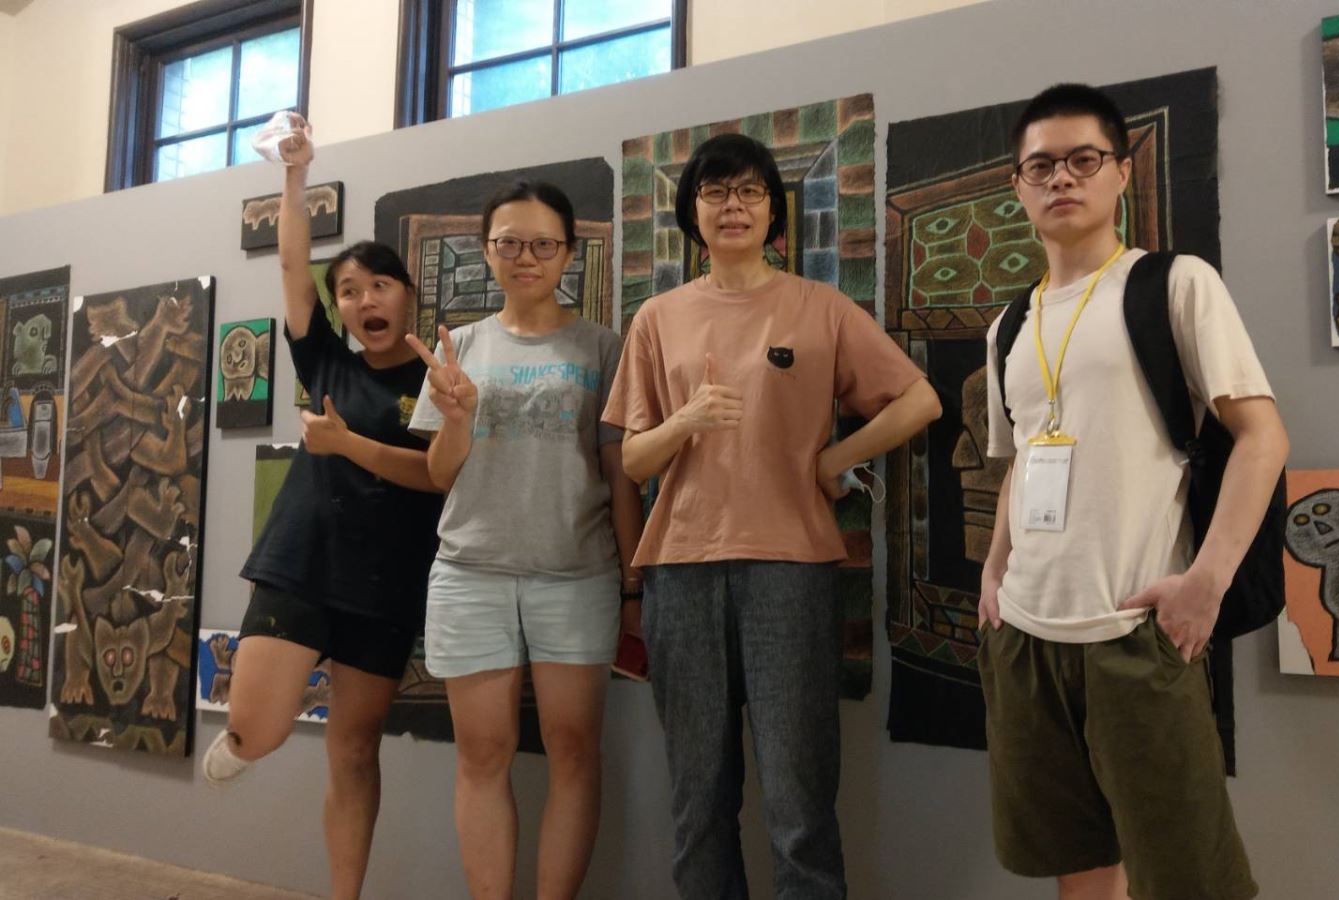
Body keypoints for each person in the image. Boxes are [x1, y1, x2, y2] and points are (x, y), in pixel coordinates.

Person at [603, 132, 942, 900]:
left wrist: (833, 458)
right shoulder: (658, 318)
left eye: (750, 191)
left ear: (773, 211)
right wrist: (686, 420)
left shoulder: (819, 308)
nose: (734, 205)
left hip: (792, 567)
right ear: (692, 211)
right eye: (716, 191)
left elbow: (919, 400)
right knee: (698, 799)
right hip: (681, 571)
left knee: (799, 799)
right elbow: (634, 461)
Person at [977, 83, 1290, 900]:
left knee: (1187, 879)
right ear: (1018, 186)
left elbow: (1263, 437)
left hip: (1135, 631)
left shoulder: (1173, 285)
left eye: (1083, 159)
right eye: (1040, 166)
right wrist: (994, 571)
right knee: (1080, 865)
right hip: (1026, 633)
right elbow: (1019, 463)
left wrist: (1206, 583)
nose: (1061, 178)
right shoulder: (1008, 327)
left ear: (1122, 172)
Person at [203, 115, 445, 900]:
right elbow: (291, 262)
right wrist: (295, 174)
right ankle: (244, 740)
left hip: (387, 582)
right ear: (337, 307)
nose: (365, 298)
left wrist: (348, 445)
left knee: (353, 750)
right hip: (302, 561)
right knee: (257, 731)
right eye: (349, 290)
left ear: (406, 296)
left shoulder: (441, 378)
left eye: (380, 285)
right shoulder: (326, 361)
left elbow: (440, 477)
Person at [404, 180, 643, 900]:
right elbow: (440, 475)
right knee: (482, 754)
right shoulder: (461, 347)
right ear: (487, 251)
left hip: (576, 573)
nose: (526, 257)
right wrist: (456, 419)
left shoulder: (602, 346)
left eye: (543, 243)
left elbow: (621, 474)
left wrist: (633, 584)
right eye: (509, 243)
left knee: (573, 751)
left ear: (568, 252)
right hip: (470, 572)